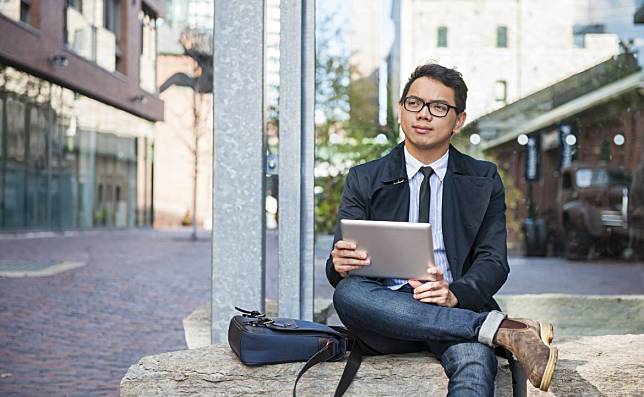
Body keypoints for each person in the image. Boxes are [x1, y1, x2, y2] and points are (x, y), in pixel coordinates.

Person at [326, 62, 557, 396]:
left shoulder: (483, 179)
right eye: (414, 103)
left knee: (475, 361)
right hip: (387, 314)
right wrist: (339, 264)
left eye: (438, 107)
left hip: (455, 305)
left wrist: (454, 294)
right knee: (348, 293)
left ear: (458, 120)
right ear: (401, 111)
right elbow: (338, 267)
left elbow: (493, 262)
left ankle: (484, 329)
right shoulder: (364, 178)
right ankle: (502, 329)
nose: (423, 115)